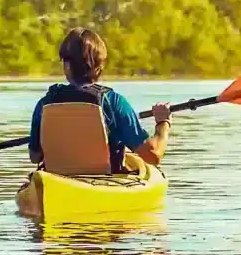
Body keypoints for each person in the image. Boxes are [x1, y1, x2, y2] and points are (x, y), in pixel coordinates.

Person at [30, 27, 170, 173]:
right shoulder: (113, 102)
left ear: (66, 66)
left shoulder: (46, 103)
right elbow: (153, 155)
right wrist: (162, 123)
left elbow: (35, 156)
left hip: (57, 181)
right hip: (105, 181)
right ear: (99, 67)